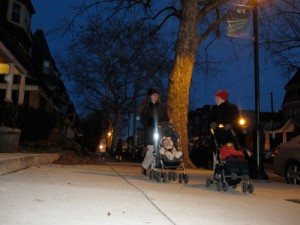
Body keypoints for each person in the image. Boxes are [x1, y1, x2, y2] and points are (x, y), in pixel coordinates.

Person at [209, 90, 249, 180]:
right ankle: (219, 173)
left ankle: (238, 172)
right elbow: (211, 119)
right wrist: (212, 123)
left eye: (217, 98)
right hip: (218, 135)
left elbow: (236, 119)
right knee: (219, 155)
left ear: (222, 99)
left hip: (229, 135)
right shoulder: (214, 109)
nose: (215, 100)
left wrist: (231, 125)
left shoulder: (232, 108)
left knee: (233, 155)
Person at [140, 88, 169, 175]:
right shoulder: (146, 107)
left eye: (157, 95)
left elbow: (166, 118)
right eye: (154, 95)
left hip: (159, 132)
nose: (156, 96)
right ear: (150, 96)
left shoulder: (161, 107)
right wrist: (149, 122)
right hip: (150, 132)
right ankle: (145, 166)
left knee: (158, 151)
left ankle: (154, 169)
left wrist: (166, 124)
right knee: (151, 150)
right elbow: (143, 119)